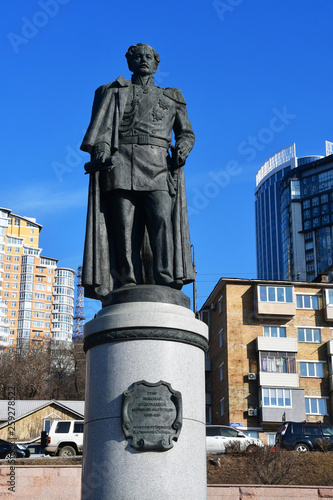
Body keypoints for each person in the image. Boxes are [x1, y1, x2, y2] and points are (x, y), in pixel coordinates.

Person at [81, 43, 195, 301]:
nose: (143, 60)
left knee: (162, 221)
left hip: (157, 164)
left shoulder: (172, 96)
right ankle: (126, 280)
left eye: (149, 57)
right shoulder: (112, 92)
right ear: (129, 62)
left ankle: (165, 277)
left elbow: (186, 133)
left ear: (156, 64)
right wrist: (100, 150)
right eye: (138, 57)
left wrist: (183, 149)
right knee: (123, 226)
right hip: (121, 163)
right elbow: (101, 131)